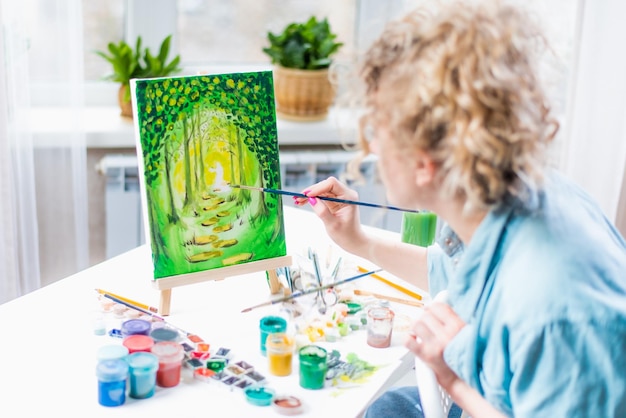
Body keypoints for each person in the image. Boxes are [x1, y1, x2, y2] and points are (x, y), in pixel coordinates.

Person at [293, 1, 626, 417]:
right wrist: (358, 241)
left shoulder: (554, 311)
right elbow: (451, 272)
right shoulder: (511, 197)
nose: (370, 148)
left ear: (423, 164)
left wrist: (452, 377)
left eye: (378, 131)